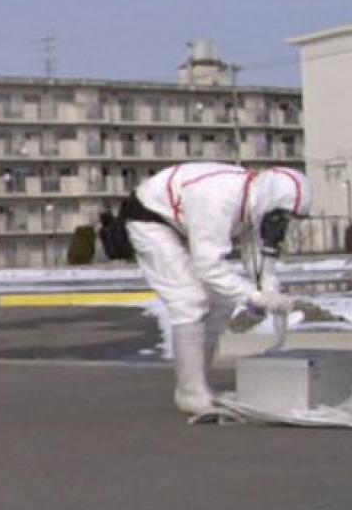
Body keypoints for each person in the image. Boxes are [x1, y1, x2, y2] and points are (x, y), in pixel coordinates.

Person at [122, 162, 312, 417]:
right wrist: (254, 297)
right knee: (189, 300)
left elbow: (259, 260)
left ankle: (198, 382)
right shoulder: (218, 200)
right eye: (283, 216)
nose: (283, 224)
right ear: (270, 202)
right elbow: (209, 266)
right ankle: (190, 393)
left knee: (223, 301)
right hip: (152, 218)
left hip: (183, 220)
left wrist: (269, 291)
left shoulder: (256, 206)